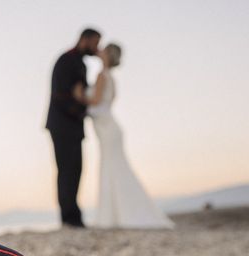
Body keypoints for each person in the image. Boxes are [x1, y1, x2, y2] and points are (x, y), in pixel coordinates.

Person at [74, 44, 174, 228]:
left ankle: (113, 217)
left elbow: (95, 102)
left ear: (107, 56)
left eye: (103, 49)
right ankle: (115, 215)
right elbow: (106, 103)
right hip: (110, 128)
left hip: (107, 128)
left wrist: (79, 96)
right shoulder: (111, 78)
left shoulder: (101, 76)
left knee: (111, 167)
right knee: (114, 168)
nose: (99, 50)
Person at [46, 28, 101, 228]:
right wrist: (81, 110)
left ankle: (74, 215)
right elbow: (59, 94)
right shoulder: (66, 61)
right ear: (85, 40)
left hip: (75, 126)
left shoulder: (82, 64)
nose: (97, 48)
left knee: (76, 169)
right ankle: (68, 218)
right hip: (61, 125)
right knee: (66, 170)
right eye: (95, 43)